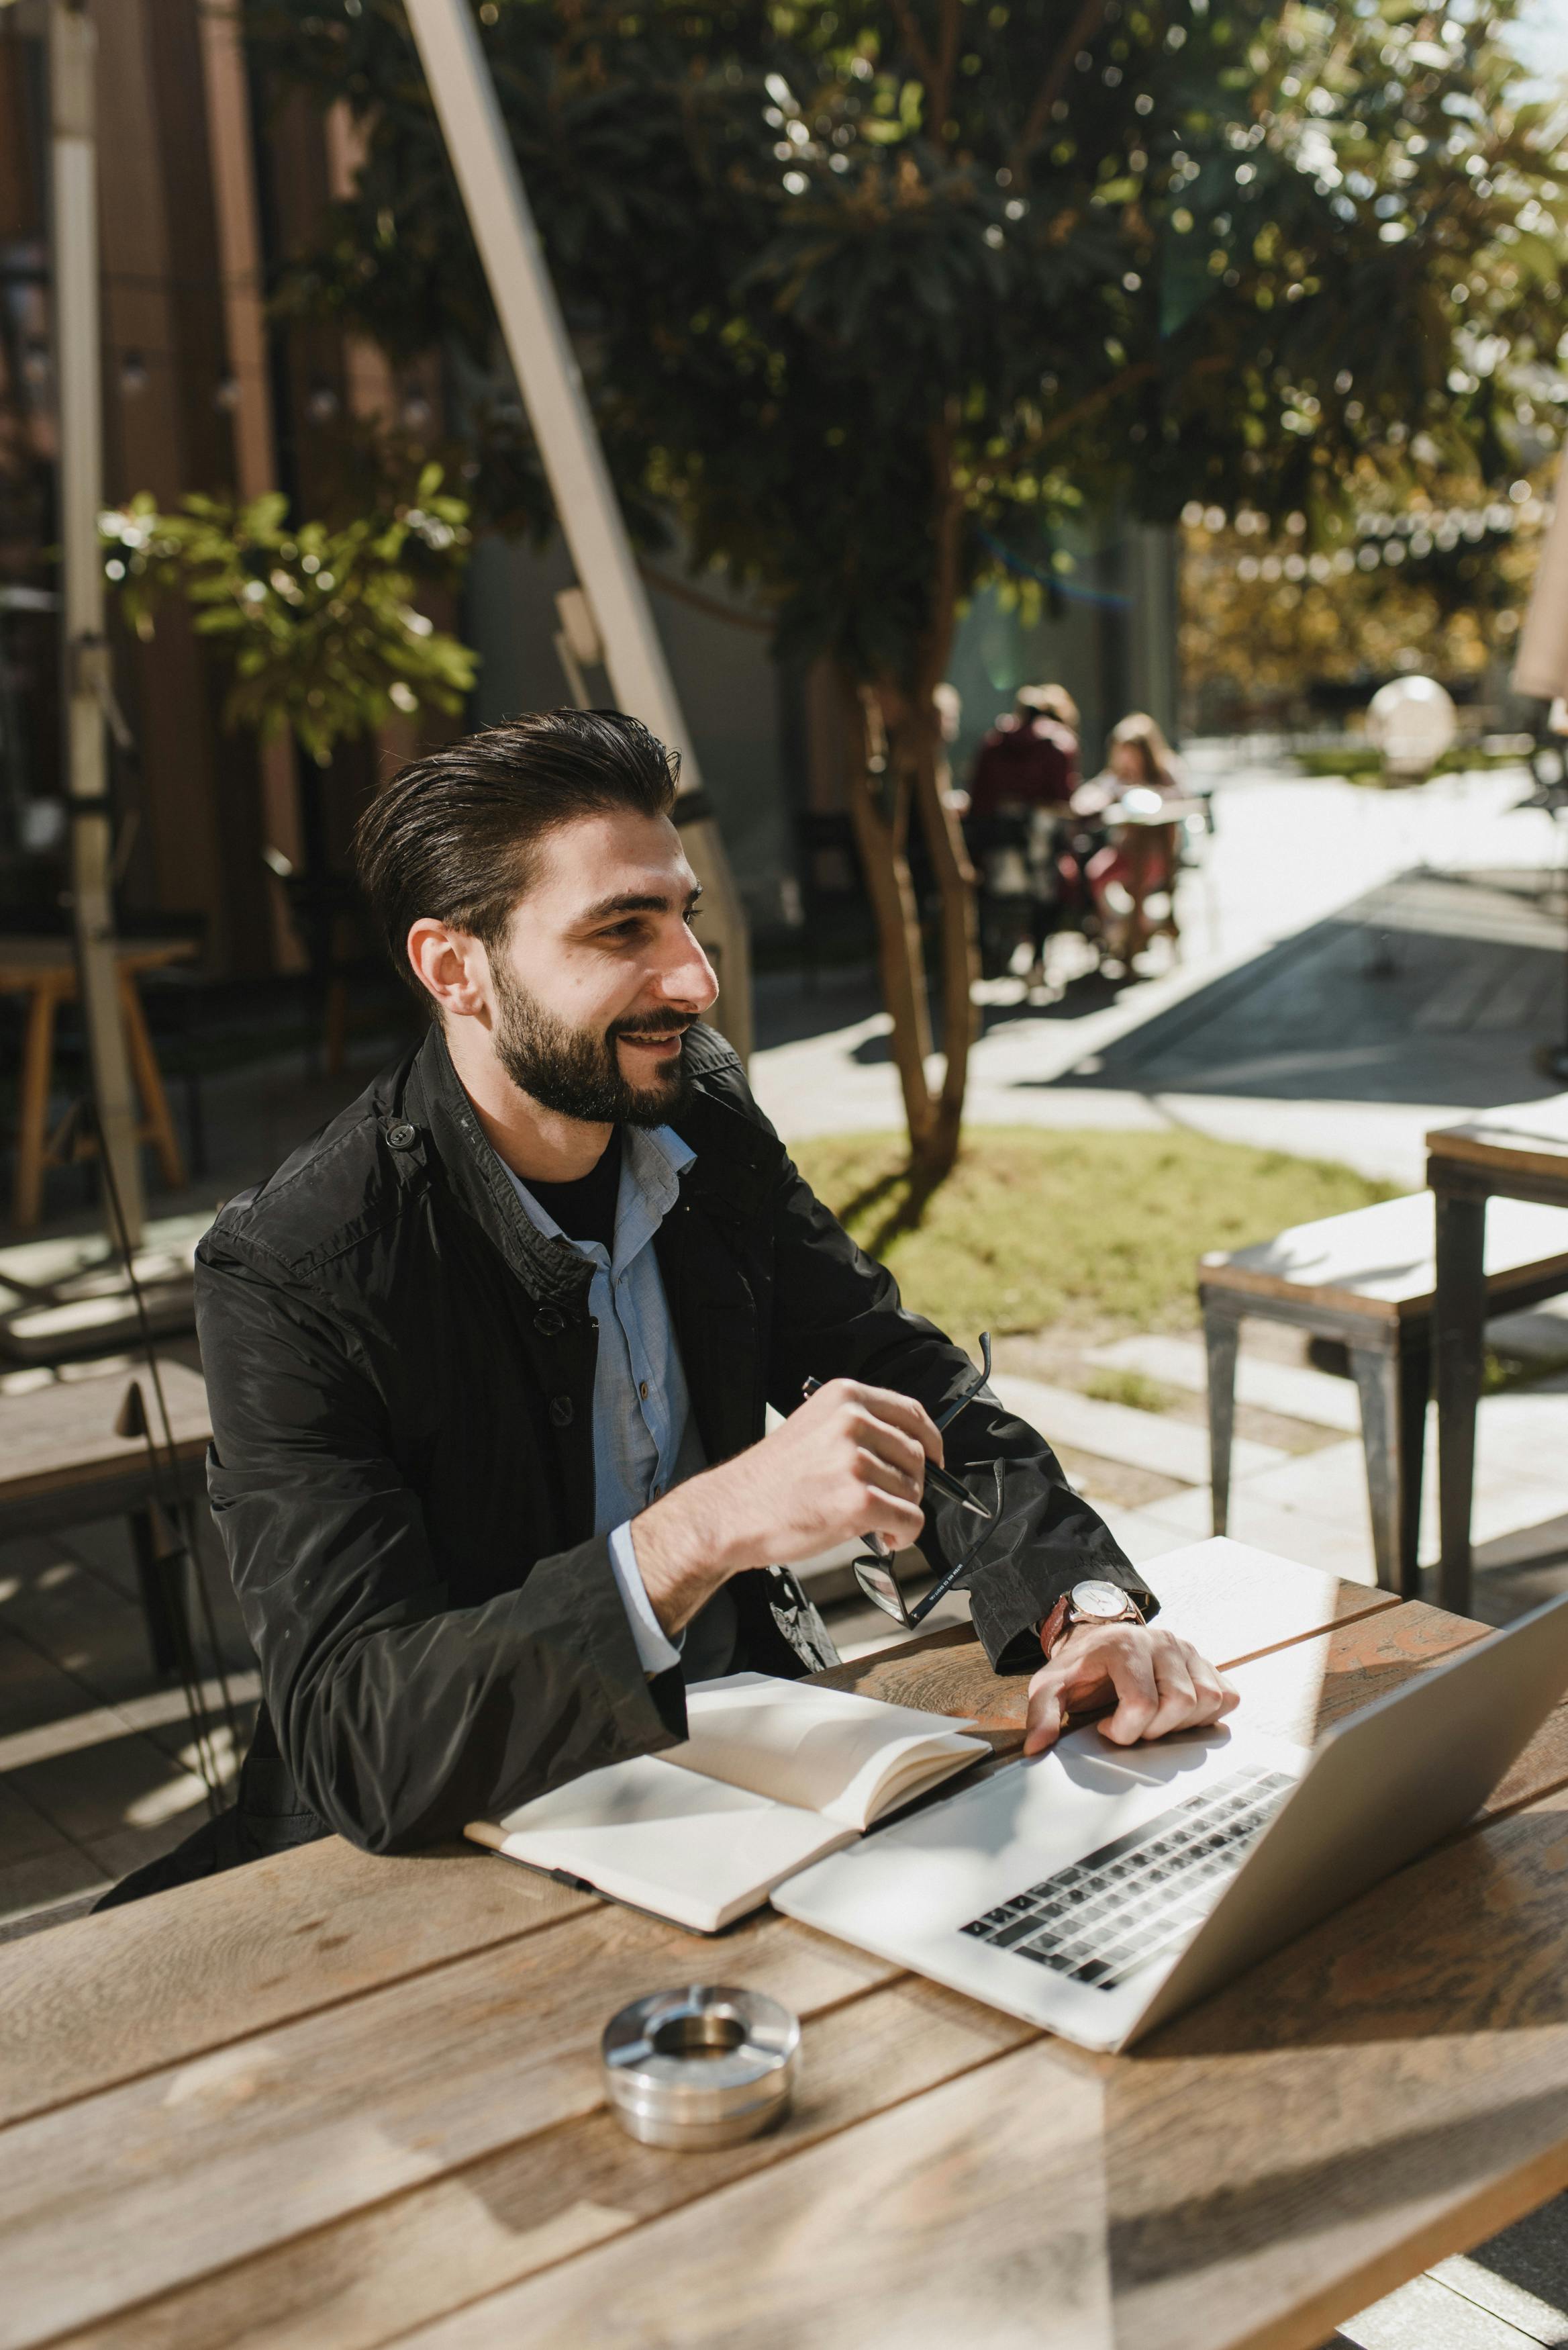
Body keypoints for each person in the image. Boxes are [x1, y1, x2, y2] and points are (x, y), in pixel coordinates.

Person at [99, 710, 1234, 1903]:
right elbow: (358, 1738)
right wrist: (699, 1532)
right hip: (457, 1858)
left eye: (681, 915)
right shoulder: (294, 1269)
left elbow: (903, 1377)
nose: (692, 977)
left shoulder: (695, 1107)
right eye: (621, 930)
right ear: (455, 968)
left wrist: (1085, 1605)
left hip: (758, 1776)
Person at [963, 686, 1082, 989]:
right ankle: (1037, 962)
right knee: (1057, 879)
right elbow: (1063, 800)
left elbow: (978, 799)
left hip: (993, 857)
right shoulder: (1056, 743)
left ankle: (992, 955)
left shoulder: (993, 744)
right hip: (1038, 857)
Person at [1073, 712, 1187, 964]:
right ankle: (1130, 928)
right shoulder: (1117, 776)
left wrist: (1144, 794)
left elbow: (1180, 799)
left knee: (1137, 880)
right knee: (1097, 873)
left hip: (1158, 852)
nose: (1127, 759)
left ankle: (1139, 929)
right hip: (1124, 850)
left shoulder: (1165, 772)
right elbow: (1088, 795)